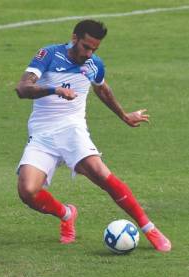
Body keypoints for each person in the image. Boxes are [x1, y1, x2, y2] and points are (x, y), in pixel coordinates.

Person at [14, 19, 171, 252]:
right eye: (86, 47)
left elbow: (102, 90)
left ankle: (149, 228)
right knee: (27, 191)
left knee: (100, 173)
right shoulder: (48, 54)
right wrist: (55, 89)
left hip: (72, 129)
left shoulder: (94, 64)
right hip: (42, 133)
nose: (89, 53)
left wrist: (125, 116)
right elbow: (22, 88)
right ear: (74, 38)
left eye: (94, 49)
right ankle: (67, 214)